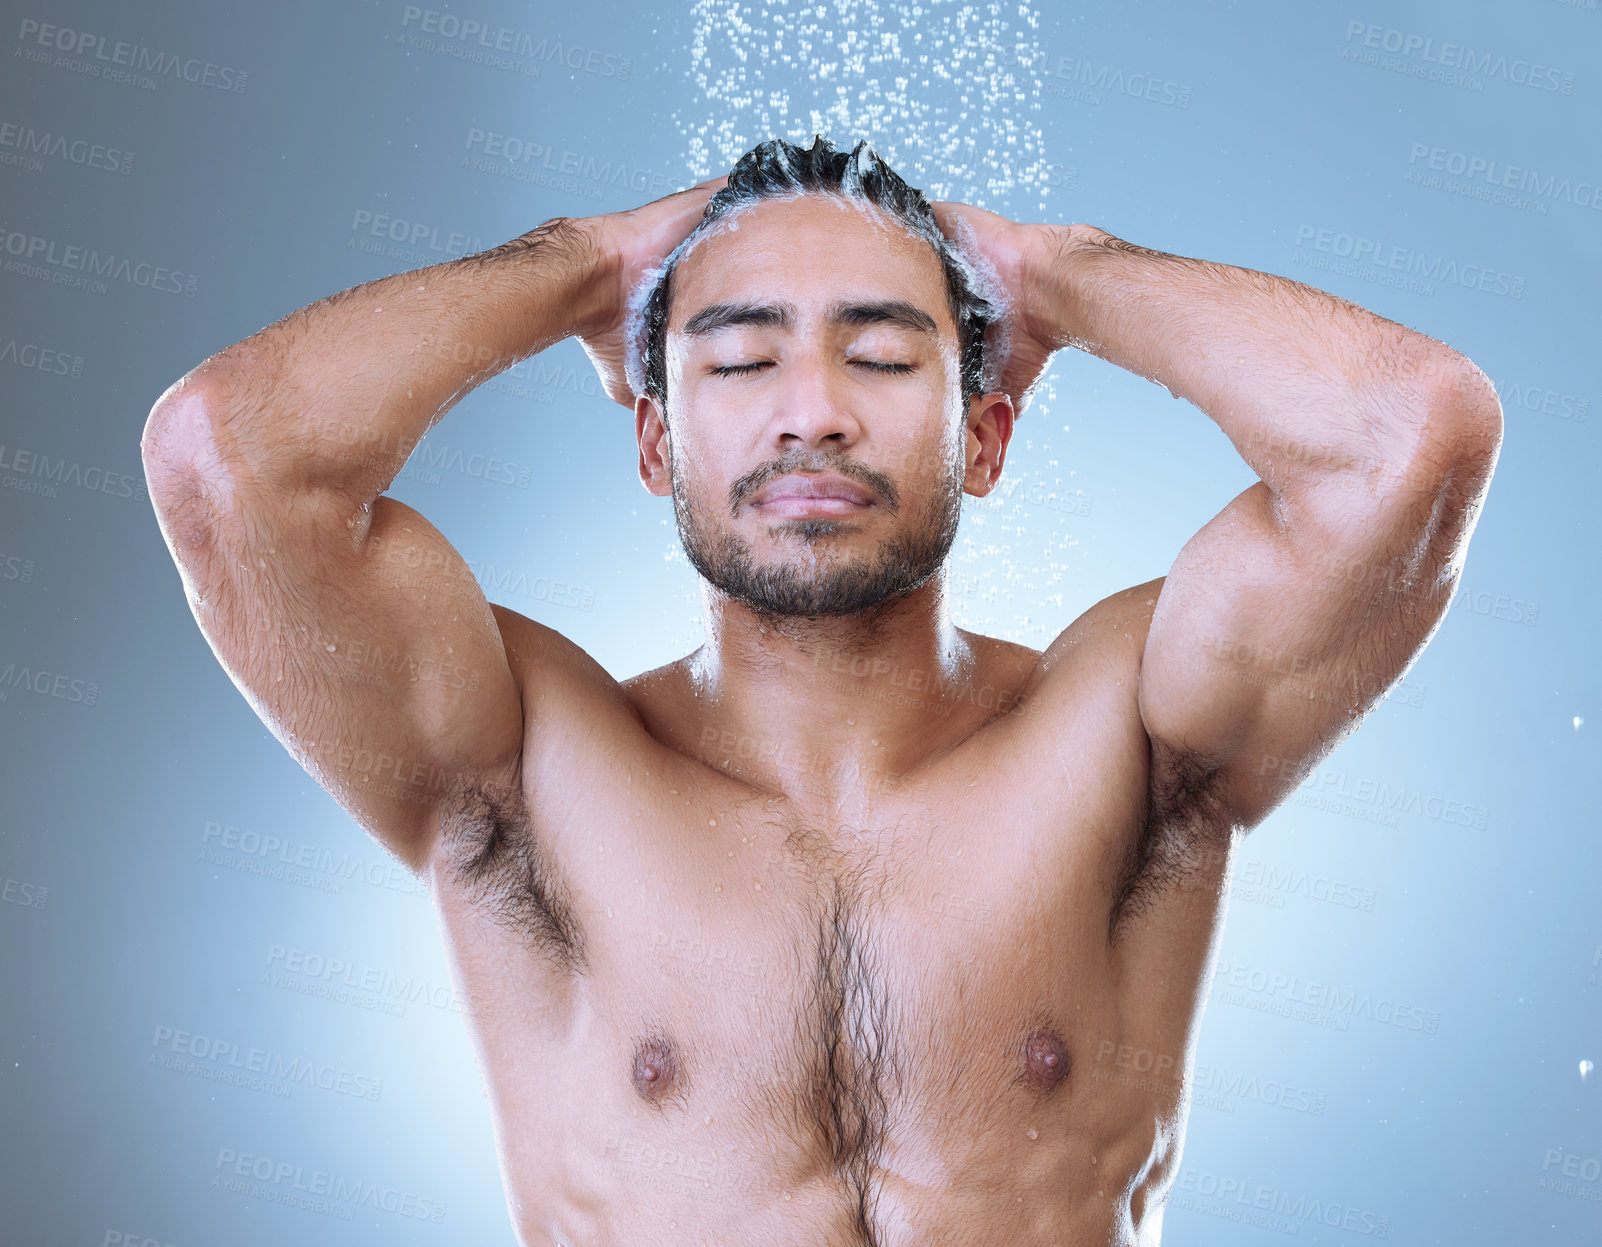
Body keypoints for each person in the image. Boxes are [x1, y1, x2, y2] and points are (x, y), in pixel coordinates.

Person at [139, 135, 1501, 1246]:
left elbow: (1407, 438)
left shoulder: (1124, 730)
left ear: (983, 430)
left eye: (881, 353)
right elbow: (232, 462)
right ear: (656, 441)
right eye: (736, 359)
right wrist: (582, 264)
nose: (810, 413)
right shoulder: (527, 766)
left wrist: (1056, 271)